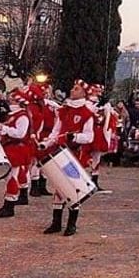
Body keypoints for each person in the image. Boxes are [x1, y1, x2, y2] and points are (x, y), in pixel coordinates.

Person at [39, 80, 95, 236]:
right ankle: (56, 222)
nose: (72, 90)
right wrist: (46, 143)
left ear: (83, 93)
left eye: (76, 89)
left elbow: (89, 137)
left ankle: (72, 224)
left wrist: (75, 137)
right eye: (72, 87)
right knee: (59, 187)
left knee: (73, 187)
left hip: (75, 154)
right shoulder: (64, 110)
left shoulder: (86, 113)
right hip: (60, 152)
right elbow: (56, 132)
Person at [0, 89, 35, 218]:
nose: (9, 101)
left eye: (12, 99)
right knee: (10, 176)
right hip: (11, 147)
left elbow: (20, 133)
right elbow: (9, 131)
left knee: (12, 177)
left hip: (17, 149)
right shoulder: (14, 115)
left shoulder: (22, 116)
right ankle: (9, 203)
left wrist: (3, 128)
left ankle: (9, 205)